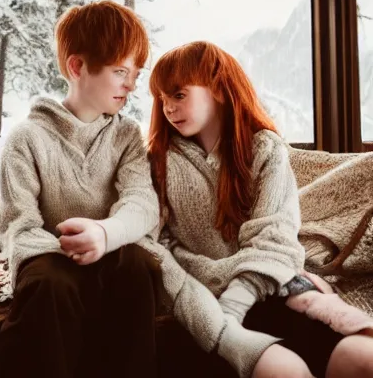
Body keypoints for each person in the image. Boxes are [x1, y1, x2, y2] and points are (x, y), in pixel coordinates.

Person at [146, 40, 373, 378]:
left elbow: (275, 237)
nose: (168, 108)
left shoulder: (265, 148)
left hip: (274, 289)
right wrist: (218, 311)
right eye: (162, 98)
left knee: (362, 358)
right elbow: (157, 246)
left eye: (179, 95)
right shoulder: (157, 161)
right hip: (207, 302)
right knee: (286, 372)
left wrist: (238, 298)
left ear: (219, 90)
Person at [0, 0, 161, 378]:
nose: (131, 85)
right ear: (78, 67)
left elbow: (142, 203)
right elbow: (18, 226)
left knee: (138, 267)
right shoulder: (26, 138)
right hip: (50, 256)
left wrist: (103, 233)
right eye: (120, 71)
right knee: (49, 286)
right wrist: (72, 256)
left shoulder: (127, 135)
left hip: (114, 250)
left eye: (135, 73)